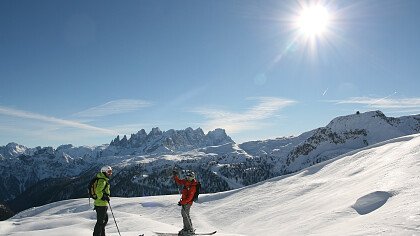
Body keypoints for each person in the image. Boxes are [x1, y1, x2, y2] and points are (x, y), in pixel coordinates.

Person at [173, 170, 198, 236]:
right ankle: (186, 228)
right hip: (184, 201)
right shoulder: (186, 182)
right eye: (187, 177)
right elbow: (179, 181)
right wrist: (175, 176)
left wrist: (182, 202)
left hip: (188, 203)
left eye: (189, 177)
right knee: (184, 215)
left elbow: (190, 198)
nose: (187, 178)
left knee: (186, 215)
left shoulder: (193, 186)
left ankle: (189, 229)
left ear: (192, 178)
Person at [93, 166, 112, 236]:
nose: (110, 173)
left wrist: (105, 197)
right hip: (101, 204)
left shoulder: (103, 179)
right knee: (100, 222)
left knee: (104, 221)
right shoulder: (102, 180)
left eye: (111, 172)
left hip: (102, 204)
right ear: (104, 172)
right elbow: (98, 191)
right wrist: (104, 197)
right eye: (109, 172)